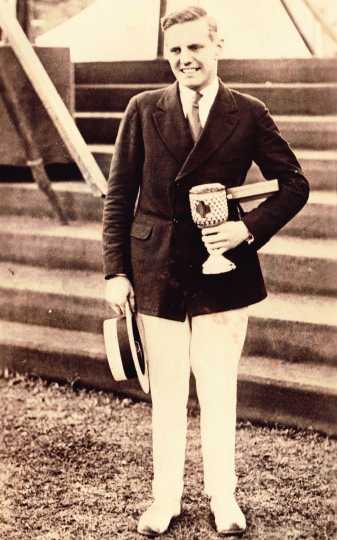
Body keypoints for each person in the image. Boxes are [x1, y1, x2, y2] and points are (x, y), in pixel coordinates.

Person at [102, 6, 309, 536]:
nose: (184, 59)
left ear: (217, 45)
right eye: (174, 50)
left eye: (194, 47)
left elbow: (293, 183)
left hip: (224, 270)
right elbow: (120, 197)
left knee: (218, 387)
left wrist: (247, 230)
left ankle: (224, 497)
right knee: (167, 390)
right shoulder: (143, 109)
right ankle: (164, 498)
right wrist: (115, 272)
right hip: (156, 268)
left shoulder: (248, 111)